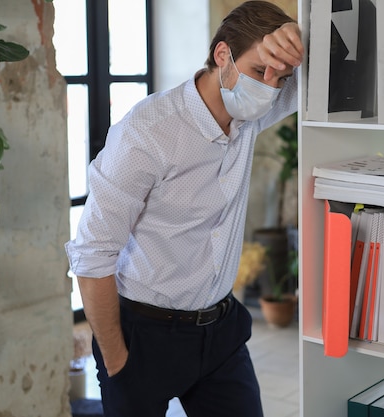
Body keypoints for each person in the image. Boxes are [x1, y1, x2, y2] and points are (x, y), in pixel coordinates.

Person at [65, 1, 303, 416]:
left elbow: (330, 73)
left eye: (279, 77)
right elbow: (91, 255)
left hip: (222, 333)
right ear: (222, 54)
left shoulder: (251, 111)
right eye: (259, 71)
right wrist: (119, 365)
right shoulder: (146, 134)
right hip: (143, 336)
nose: (269, 87)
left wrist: (302, 40)